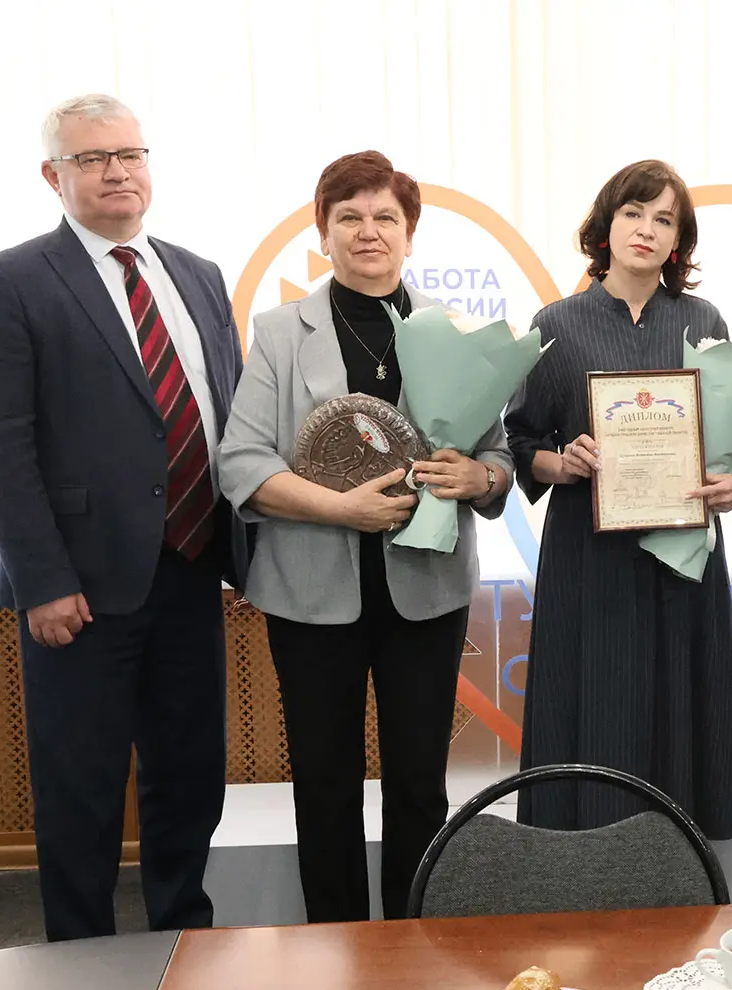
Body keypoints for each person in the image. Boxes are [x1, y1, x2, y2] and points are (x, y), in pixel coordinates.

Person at [0, 94, 245, 941]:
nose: (118, 171)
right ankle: (78, 965)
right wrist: (43, 581)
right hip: (78, 590)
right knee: (81, 791)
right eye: (93, 158)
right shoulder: (9, 281)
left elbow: (224, 415)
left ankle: (182, 944)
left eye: (131, 154)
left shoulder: (196, 274)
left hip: (192, 568)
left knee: (190, 778)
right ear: (54, 176)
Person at [218, 152, 512, 922]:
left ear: (410, 234)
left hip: (427, 595)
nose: (368, 231)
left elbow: (499, 458)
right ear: (323, 234)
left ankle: (413, 946)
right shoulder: (281, 334)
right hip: (311, 596)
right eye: (348, 216)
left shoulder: (455, 333)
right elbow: (241, 461)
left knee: (419, 784)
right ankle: (335, 952)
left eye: (386, 216)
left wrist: (478, 476)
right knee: (325, 785)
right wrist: (339, 509)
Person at [505, 160, 732, 838]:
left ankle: (680, 869)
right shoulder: (556, 323)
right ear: (605, 226)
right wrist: (563, 462)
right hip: (590, 558)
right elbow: (520, 440)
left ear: (678, 241)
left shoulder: (703, 320)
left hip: (684, 556)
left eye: (664, 219)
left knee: (683, 704)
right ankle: (591, 864)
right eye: (633, 213)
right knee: (597, 705)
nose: (646, 229)